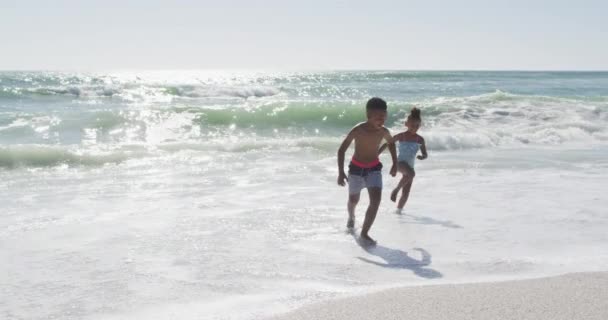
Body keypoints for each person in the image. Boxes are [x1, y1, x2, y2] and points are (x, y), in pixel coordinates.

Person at [337, 97, 397, 244]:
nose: (381, 120)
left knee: (375, 201)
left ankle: (364, 233)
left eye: (384, 116)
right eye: (378, 117)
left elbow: (391, 143)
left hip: (374, 169)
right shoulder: (358, 130)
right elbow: (341, 150)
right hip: (356, 169)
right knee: (353, 200)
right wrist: (340, 172)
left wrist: (395, 163)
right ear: (368, 115)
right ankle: (351, 217)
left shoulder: (384, 131)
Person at [379, 107, 427, 212]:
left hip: (410, 166)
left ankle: (399, 212)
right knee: (411, 174)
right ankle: (396, 190)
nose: (415, 127)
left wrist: (422, 157)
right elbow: (388, 143)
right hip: (399, 163)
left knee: (406, 193)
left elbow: (425, 154)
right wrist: (377, 153)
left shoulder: (420, 139)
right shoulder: (402, 136)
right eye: (413, 125)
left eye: (417, 125)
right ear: (406, 124)